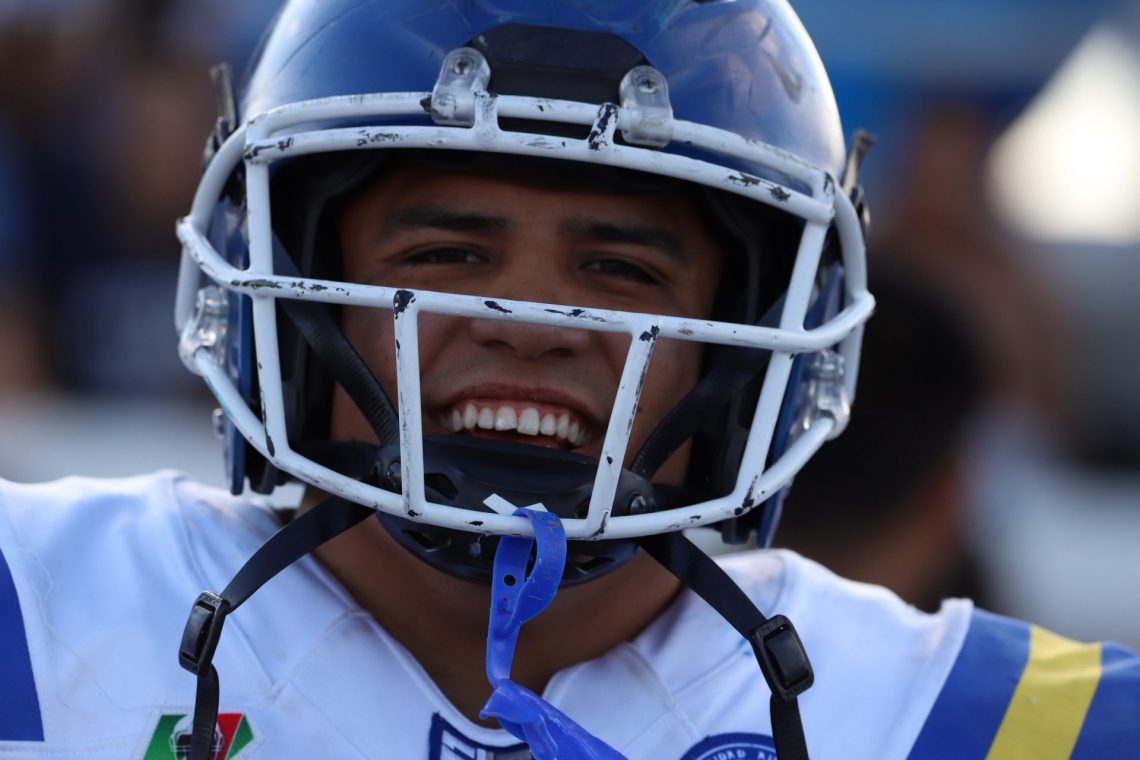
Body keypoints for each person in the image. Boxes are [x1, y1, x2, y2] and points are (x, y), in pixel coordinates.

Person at [1, 2, 1136, 759]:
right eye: (449, 254)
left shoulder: (954, 719)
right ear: (295, 296)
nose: (536, 323)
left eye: (620, 269)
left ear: (744, 341)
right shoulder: (38, 613)